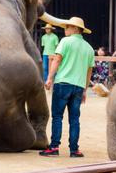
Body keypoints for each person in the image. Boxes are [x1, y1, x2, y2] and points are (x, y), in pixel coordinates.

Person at [40, 17, 94, 158]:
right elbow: (89, 71)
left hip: (63, 83)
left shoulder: (65, 42)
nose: (66, 29)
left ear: (76, 29)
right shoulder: (89, 48)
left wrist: (50, 78)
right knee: (74, 119)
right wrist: (84, 90)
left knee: (57, 116)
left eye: (68, 27)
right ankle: (74, 150)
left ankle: (54, 147)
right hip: (78, 87)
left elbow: (57, 59)